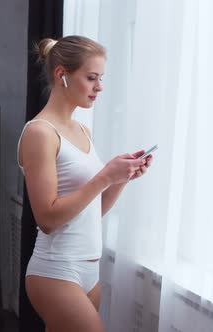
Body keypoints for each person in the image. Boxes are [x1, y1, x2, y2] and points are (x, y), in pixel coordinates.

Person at [17, 35, 154, 332]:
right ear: (61, 75)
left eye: (101, 78)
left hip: (89, 271)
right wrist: (105, 176)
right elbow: (48, 219)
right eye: (91, 78)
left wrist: (121, 179)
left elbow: (90, 211)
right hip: (56, 271)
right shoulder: (40, 132)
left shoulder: (82, 130)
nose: (99, 87)